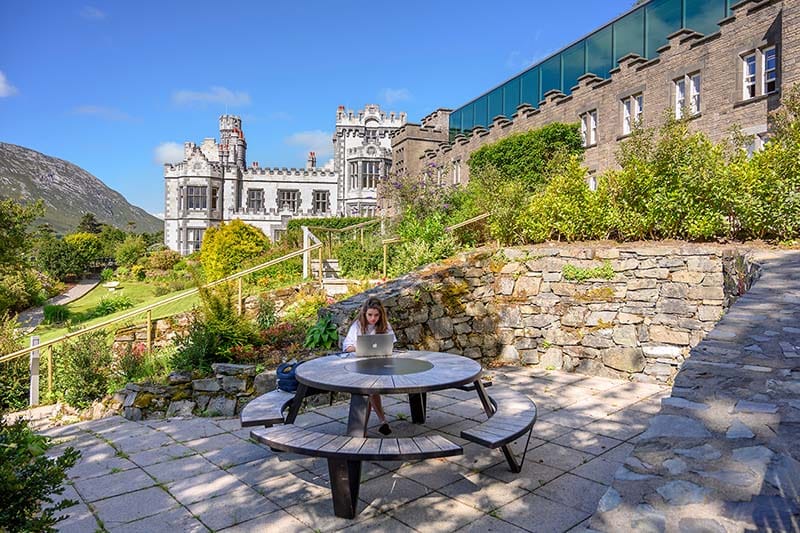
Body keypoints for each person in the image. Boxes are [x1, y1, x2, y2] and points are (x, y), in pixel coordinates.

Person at [342, 297, 396, 435]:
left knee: (371, 388)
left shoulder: (385, 325)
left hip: (379, 363)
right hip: (358, 364)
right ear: (365, 313)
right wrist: (361, 347)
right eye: (370, 315)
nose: (373, 318)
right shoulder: (357, 326)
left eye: (376, 315)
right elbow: (347, 347)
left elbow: (390, 344)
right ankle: (382, 421)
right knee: (370, 388)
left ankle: (363, 430)